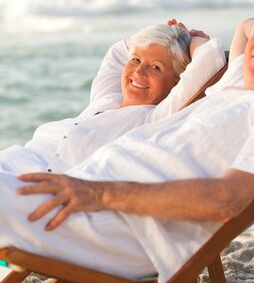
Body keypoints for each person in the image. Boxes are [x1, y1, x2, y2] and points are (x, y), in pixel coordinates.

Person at [1, 0, 254, 283]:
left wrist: (99, 193)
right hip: (84, 194)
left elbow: (226, 200)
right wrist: (244, 31)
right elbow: (245, 29)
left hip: (116, 224)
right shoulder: (239, 87)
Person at [0, 23, 225, 176]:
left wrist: (192, 39)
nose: (138, 73)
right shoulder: (106, 98)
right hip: (10, 164)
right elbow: (119, 50)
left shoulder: (153, 121)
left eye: (156, 67)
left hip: (27, 188)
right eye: (136, 60)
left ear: (176, 82)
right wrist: (171, 33)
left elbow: (210, 57)